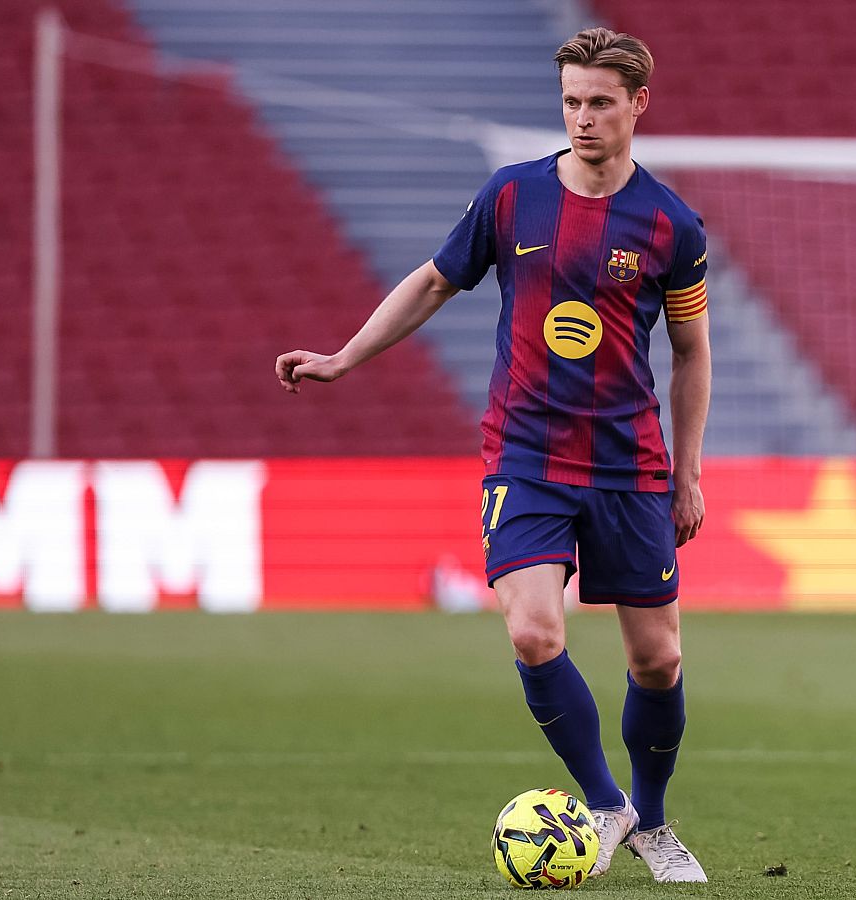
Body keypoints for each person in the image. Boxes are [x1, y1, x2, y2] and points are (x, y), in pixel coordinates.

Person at [274, 27, 711, 884]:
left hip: (629, 465)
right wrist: (342, 357)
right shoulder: (512, 196)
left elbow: (692, 353)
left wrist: (687, 472)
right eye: (571, 103)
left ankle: (653, 821)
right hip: (527, 457)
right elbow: (436, 280)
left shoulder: (670, 224)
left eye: (600, 104)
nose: (583, 120)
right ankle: (605, 802)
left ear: (637, 106)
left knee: (657, 659)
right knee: (534, 630)